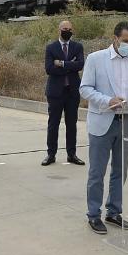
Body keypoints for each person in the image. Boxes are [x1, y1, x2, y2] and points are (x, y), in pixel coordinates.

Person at [79, 21, 128, 234]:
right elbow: (85, 88)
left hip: (126, 122)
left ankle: (114, 212)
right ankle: (93, 214)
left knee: (120, 171)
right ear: (115, 38)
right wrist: (107, 100)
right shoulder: (96, 58)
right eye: (125, 41)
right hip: (103, 120)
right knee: (97, 172)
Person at [43, 19, 85, 166]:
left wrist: (61, 63)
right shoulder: (51, 47)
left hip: (72, 92)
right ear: (59, 30)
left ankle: (71, 154)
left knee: (71, 124)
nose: (67, 31)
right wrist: (70, 65)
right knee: (53, 124)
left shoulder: (77, 46)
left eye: (69, 29)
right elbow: (49, 69)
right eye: (65, 29)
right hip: (55, 92)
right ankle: (51, 154)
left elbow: (80, 65)